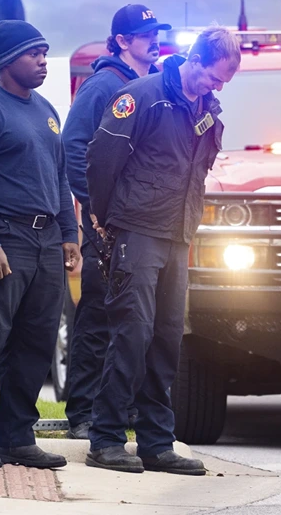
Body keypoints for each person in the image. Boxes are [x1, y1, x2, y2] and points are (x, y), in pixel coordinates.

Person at [85, 26, 239, 474]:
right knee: (131, 334)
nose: (219, 86)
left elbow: (201, 168)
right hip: (137, 230)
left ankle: (156, 441)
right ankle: (106, 438)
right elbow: (100, 161)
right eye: (215, 76)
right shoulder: (143, 96)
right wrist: (108, 220)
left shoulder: (208, 108)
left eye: (226, 81)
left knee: (168, 340)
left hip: (178, 235)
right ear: (195, 60)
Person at [0, 20, 81, 470]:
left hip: (47, 239)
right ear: (8, 60)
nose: (43, 60)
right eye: (34, 54)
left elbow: (58, 175)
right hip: (3, 237)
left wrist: (69, 233)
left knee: (37, 340)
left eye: (46, 52)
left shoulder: (46, 109)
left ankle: (16, 436)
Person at [62, 3, 170, 440]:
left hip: (139, 224)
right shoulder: (103, 85)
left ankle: (117, 406)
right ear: (122, 41)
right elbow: (72, 146)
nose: (154, 41)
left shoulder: (147, 84)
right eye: (146, 35)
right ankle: (83, 412)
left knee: (131, 319)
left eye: (155, 33)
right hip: (107, 226)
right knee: (97, 317)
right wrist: (93, 208)